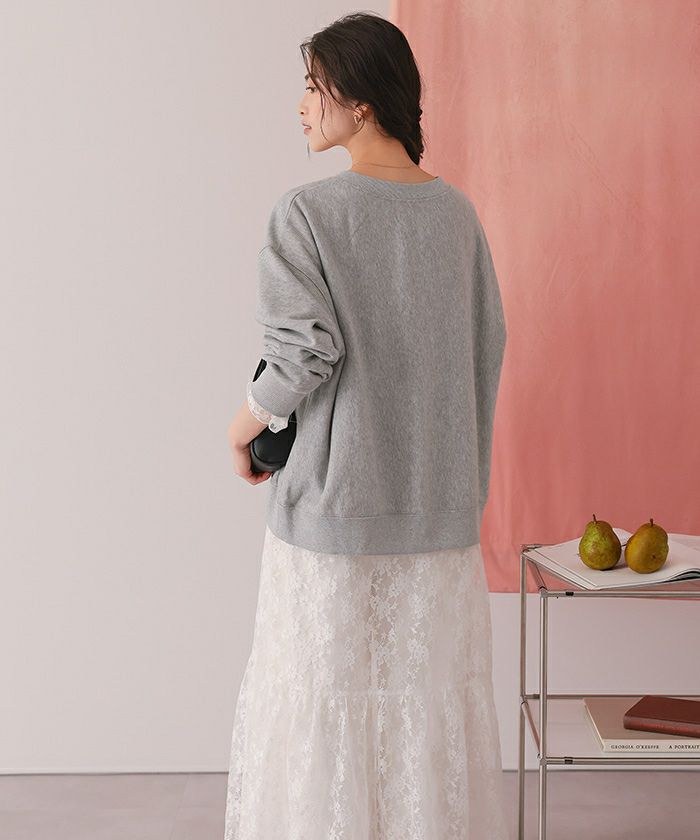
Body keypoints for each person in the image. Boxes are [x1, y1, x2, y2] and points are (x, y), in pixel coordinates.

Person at [224, 11, 509, 840]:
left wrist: (243, 426)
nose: (301, 106)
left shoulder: (308, 213)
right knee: (422, 718)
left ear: (361, 102)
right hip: (439, 520)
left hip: (334, 520)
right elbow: (488, 347)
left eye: (313, 88)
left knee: (324, 708)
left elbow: (301, 353)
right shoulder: (458, 216)